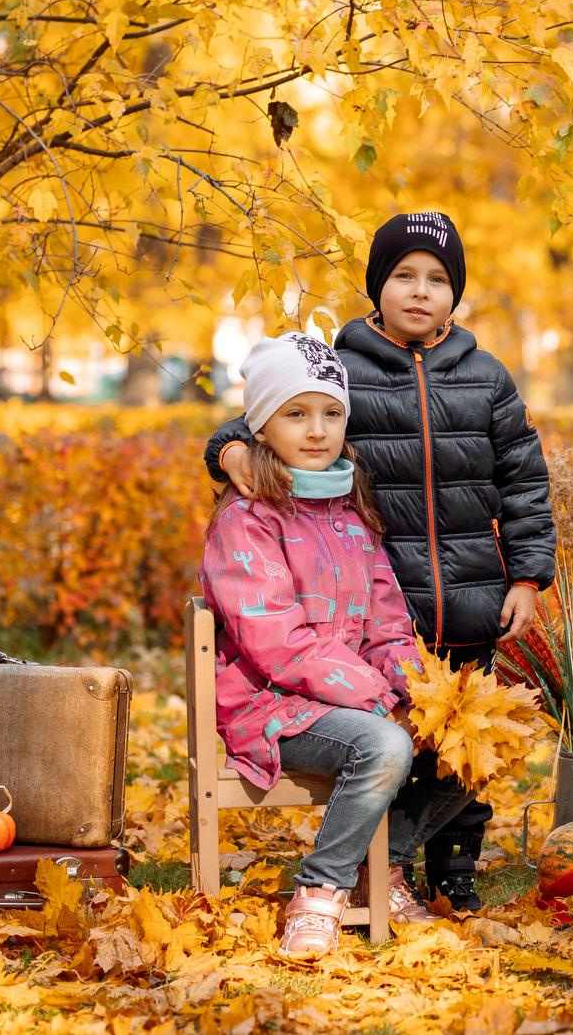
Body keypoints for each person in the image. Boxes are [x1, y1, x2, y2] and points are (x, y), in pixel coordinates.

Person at [204, 212, 555, 910]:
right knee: (402, 738)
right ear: (377, 285)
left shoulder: (486, 376)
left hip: (471, 596)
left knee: (469, 741)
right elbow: (271, 415)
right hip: (379, 597)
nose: (420, 292)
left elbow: (523, 475)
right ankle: (375, 869)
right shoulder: (343, 368)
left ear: (455, 293)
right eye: (403, 276)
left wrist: (526, 573)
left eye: (437, 280)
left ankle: (448, 867)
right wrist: (228, 450)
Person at [202, 332, 476, 958]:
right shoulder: (247, 519)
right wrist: (380, 700)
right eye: (295, 413)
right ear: (261, 426)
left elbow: (385, 629)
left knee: (467, 738)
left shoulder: (351, 513)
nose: (317, 430)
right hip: (271, 705)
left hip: (350, 698)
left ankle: (383, 867)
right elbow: (278, 644)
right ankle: (320, 889)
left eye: (331, 413)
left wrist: (422, 691)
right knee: (384, 742)